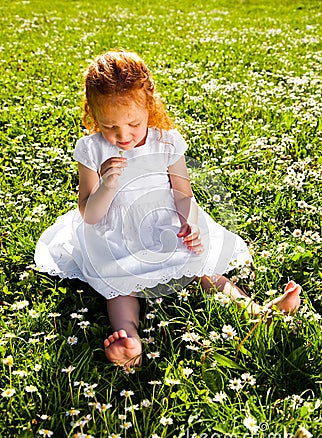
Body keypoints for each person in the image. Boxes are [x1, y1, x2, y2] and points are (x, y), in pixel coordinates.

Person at [34, 50, 301, 367]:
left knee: (204, 268)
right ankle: (128, 340)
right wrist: (107, 184)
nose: (123, 136)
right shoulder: (91, 150)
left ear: (149, 106)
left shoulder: (167, 143)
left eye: (133, 123)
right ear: (92, 114)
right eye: (109, 126)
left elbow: (182, 193)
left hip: (164, 221)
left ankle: (256, 311)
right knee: (118, 286)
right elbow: (89, 214)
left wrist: (190, 223)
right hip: (113, 230)